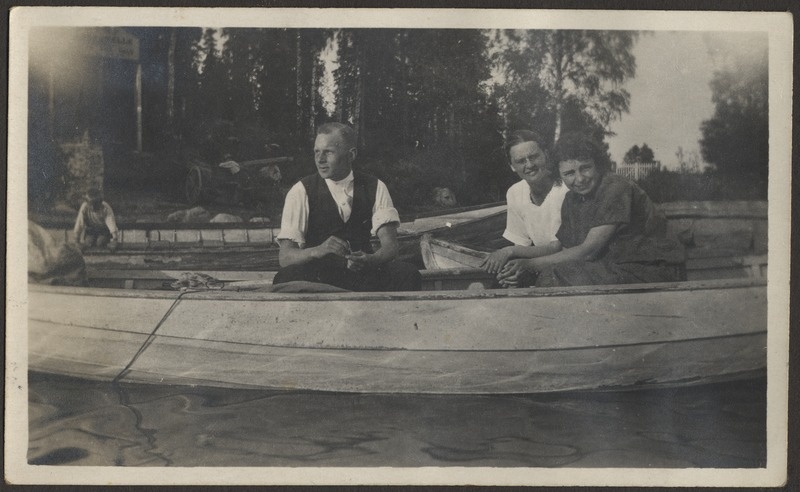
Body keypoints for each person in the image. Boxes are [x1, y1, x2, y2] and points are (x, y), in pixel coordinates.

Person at [497, 132, 685, 288]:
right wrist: (518, 266)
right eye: (569, 173)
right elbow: (564, 249)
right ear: (559, 175)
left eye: (585, 168)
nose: (579, 179)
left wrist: (528, 265)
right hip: (612, 268)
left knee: (554, 277)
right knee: (536, 276)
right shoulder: (572, 199)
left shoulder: (615, 188)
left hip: (652, 269)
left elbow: (589, 251)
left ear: (598, 165)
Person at [273, 122, 421, 292]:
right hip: (320, 277)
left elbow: (390, 247)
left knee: (408, 273)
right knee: (284, 277)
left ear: (351, 155)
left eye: (328, 152)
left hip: (363, 275)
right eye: (316, 152)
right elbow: (285, 258)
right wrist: (318, 250)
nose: (320, 160)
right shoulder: (301, 191)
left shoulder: (375, 186)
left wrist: (371, 259)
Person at [481, 130, 568, 276]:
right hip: (540, 264)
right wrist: (513, 274)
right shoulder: (515, 193)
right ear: (512, 166)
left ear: (545, 154)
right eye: (521, 161)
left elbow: (557, 247)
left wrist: (509, 251)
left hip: (566, 263)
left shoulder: (563, 189)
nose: (529, 165)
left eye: (534, 157)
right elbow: (522, 244)